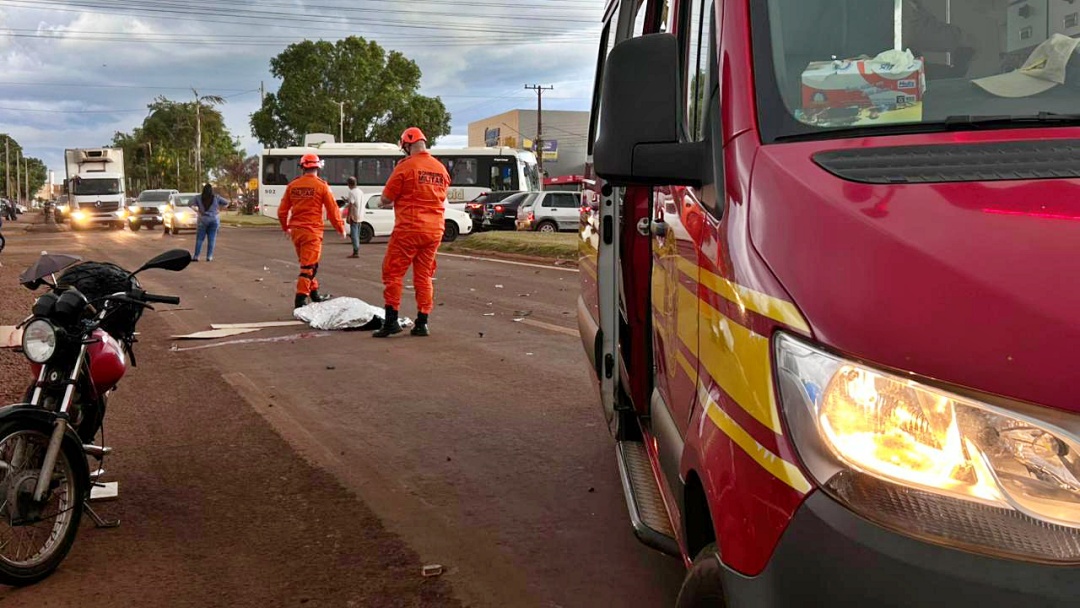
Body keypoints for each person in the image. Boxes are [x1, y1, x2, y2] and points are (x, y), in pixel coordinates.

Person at [373, 127, 449, 338]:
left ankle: (391, 321)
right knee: (424, 276)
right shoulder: (440, 169)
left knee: (393, 273)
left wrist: (381, 203)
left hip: (409, 229)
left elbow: (387, 197)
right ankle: (422, 322)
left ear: (407, 144)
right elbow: (440, 197)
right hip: (434, 230)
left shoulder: (405, 167)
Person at [278, 152, 346, 309]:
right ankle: (300, 301)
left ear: (302, 168)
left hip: (296, 231)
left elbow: (282, 212)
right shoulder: (321, 186)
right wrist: (340, 228)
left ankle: (315, 295)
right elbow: (333, 210)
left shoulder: (292, 186)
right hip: (312, 232)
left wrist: (285, 227)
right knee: (309, 267)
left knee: (307, 264)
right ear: (318, 167)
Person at [192, 184, 229, 262]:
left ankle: (196, 256)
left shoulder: (198, 197)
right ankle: (209, 257)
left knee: (199, 239)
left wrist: (197, 211)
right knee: (211, 239)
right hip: (214, 219)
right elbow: (227, 202)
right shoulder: (216, 197)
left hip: (203, 219)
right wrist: (219, 210)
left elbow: (190, 204)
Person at [344, 176, 365, 258]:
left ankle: (355, 251)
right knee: (357, 233)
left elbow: (351, 204)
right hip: (361, 215)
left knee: (354, 234)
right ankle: (356, 249)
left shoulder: (351, 192)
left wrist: (348, 216)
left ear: (349, 184)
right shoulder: (360, 191)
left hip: (354, 215)